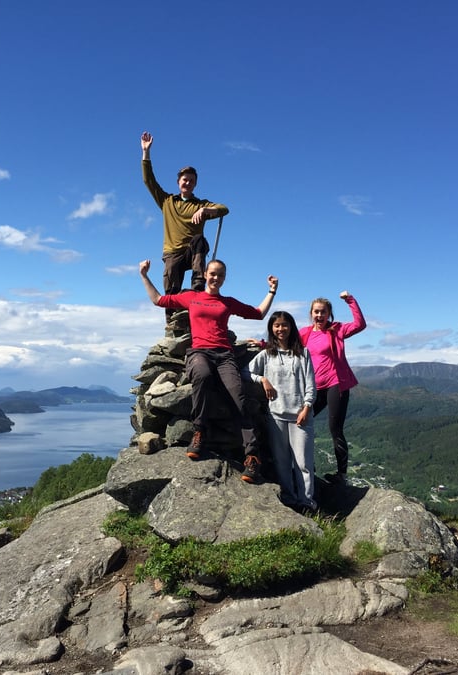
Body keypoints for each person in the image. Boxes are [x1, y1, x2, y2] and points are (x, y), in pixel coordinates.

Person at [139, 258, 277, 483]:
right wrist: (144, 275)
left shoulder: (227, 302)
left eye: (220, 275)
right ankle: (199, 432)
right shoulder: (192, 297)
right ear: (205, 274)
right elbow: (158, 300)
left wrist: (272, 291)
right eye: (212, 273)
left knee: (238, 395)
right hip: (199, 352)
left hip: (224, 355)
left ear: (224, 278)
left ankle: (252, 456)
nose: (216, 278)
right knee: (202, 376)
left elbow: (259, 313)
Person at [140, 131, 229, 300]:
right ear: (178, 182)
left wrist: (205, 210)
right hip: (173, 252)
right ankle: (173, 315)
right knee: (171, 294)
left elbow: (224, 209)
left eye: (191, 181)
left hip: (193, 253)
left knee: (199, 240)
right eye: (185, 180)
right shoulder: (167, 201)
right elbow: (149, 181)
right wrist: (146, 152)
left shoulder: (200, 204)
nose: (187, 183)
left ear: (195, 184)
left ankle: (198, 286)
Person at [247, 311, 317, 511]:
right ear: (271, 328)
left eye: (284, 325)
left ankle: (307, 503)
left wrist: (306, 407)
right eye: (276, 325)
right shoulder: (266, 354)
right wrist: (262, 379)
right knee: (282, 462)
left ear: (291, 327)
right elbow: (245, 371)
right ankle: (289, 499)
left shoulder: (303, 353)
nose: (280, 329)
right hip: (276, 415)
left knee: (303, 463)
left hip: (300, 416)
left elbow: (311, 385)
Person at [300, 292, 366, 484]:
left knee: (335, 429)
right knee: (302, 422)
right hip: (314, 386)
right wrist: (263, 344)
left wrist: (350, 300)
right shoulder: (304, 333)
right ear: (311, 313)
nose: (319, 315)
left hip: (336, 384)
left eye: (323, 312)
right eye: (316, 312)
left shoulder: (337, 330)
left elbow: (360, 324)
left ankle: (341, 475)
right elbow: (285, 343)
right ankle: (306, 465)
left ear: (329, 314)